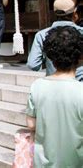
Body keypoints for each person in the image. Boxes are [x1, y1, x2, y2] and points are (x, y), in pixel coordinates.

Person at [26, 26, 83, 167]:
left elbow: (31, 124)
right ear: (80, 56)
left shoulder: (37, 86)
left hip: (43, 162)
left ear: (50, 55)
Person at [27, 0, 83, 81]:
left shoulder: (42, 35)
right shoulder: (81, 32)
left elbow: (33, 64)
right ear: (75, 14)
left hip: (54, 82)